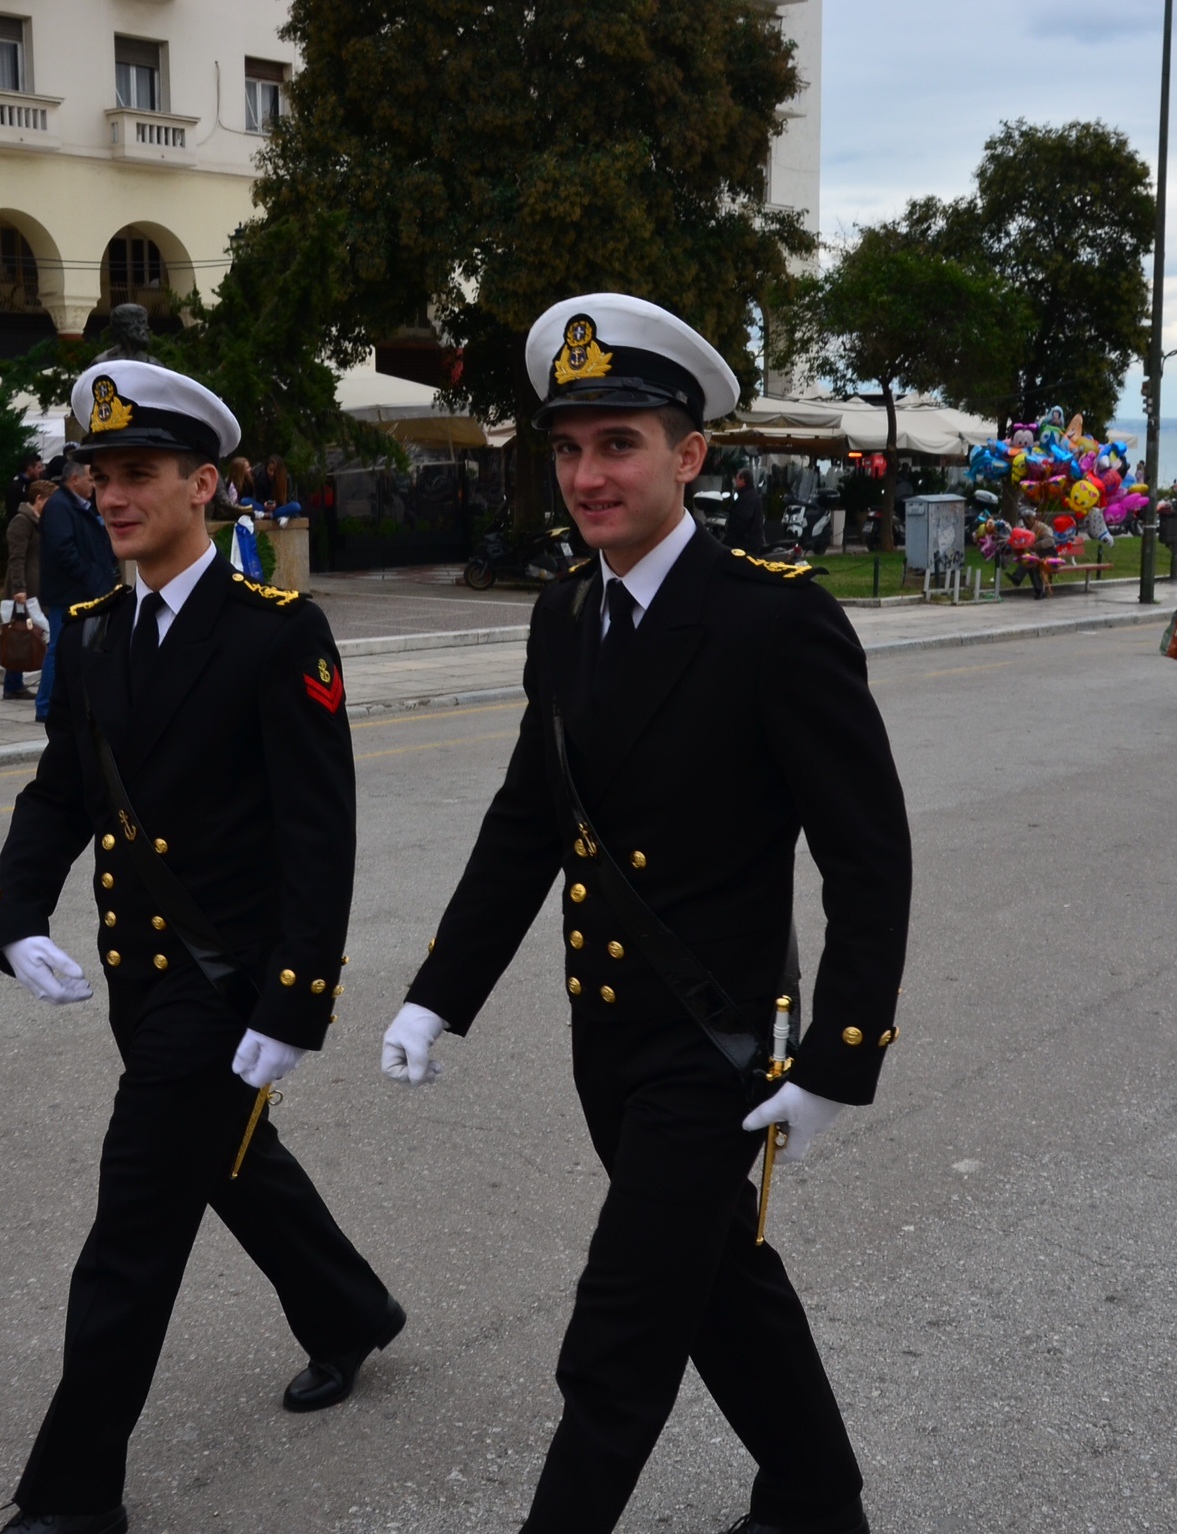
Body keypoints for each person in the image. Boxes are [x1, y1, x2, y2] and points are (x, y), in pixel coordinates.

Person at [380, 293, 911, 1534]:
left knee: (618, 1331)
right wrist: (437, 992)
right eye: (569, 448)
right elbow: (528, 820)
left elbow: (866, 855)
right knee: (713, 1270)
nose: (586, 476)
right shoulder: (566, 611)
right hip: (608, 1039)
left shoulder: (773, 616)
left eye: (617, 444)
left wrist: (838, 1055)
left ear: (690, 455)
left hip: (713, 1041)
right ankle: (815, 1497)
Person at [0, 360, 404, 1534]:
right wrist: (16, 916)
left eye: (138, 473)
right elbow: (60, 792)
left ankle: (72, 1497)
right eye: (99, 476)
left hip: (225, 989)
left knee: (132, 1229)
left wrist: (295, 1001)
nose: (111, 496)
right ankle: (349, 1310)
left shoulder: (276, 632)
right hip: (139, 980)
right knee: (229, 1161)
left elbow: (319, 836)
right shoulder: (93, 634)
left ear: (202, 485)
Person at [37, 455, 119, 727]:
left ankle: (74, 700)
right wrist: (92, 576)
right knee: (59, 648)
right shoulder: (59, 507)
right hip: (69, 592)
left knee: (80, 647)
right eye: (91, 479)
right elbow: (64, 551)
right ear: (74, 479)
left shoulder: (82, 506)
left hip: (85, 589)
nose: (94, 485)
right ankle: (47, 705)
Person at [2, 477, 52, 700]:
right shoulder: (21, 522)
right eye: (49, 500)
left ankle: (14, 683)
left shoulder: (39, 521)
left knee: (30, 633)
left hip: (38, 586)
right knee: (20, 633)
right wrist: (19, 587)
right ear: (38, 499)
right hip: (26, 589)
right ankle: (13, 684)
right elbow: (16, 558)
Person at [727, 467, 766, 552]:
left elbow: (742, 521)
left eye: (737, 479)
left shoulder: (747, 498)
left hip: (746, 545)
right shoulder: (750, 495)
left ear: (743, 480)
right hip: (749, 543)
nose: (735, 481)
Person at [6, 450, 46, 518]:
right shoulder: (15, 487)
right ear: (30, 468)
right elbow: (13, 513)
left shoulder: (36, 484)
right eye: (39, 467)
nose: (41, 470)